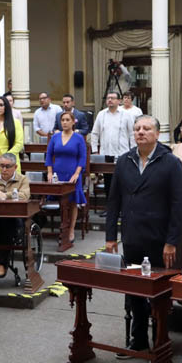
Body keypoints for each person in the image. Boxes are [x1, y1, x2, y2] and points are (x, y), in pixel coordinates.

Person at [105, 115, 182, 356]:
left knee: (158, 294)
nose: (141, 132)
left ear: (157, 134)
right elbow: (113, 202)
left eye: (147, 128)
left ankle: (160, 342)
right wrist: (111, 236)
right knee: (134, 291)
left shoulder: (171, 162)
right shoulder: (124, 161)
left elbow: (178, 205)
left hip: (159, 240)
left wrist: (172, 241)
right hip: (132, 236)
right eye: (137, 128)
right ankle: (138, 339)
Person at [46, 111, 88, 247]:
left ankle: (70, 230)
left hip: (73, 173)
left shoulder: (78, 138)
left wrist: (77, 174)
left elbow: (82, 158)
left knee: (73, 202)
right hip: (58, 173)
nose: (64, 122)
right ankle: (62, 227)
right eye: (62, 120)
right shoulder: (55, 137)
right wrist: (49, 172)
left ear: (73, 122)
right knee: (62, 201)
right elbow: (49, 155)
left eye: (67, 120)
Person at [0, 153, 31, 278]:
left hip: (13, 219)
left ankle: (3, 264)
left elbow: (25, 195)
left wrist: (7, 195)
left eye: (7, 166)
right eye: (1, 166)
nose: (4, 169)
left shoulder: (22, 180)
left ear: (15, 167)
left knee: (7, 223)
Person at [90, 92, 134, 200]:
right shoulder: (101, 114)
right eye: (108, 98)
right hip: (106, 154)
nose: (110, 100)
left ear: (119, 101)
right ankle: (110, 209)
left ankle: (122, 208)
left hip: (122, 154)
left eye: (113, 98)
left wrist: (133, 151)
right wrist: (95, 151)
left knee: (122, 182)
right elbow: (95, 133)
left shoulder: (126, 114)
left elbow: (132, 134)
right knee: (108, 182)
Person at [0, 95, 24, 171]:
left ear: (6, 106)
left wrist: (4, 158)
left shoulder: (16, 123)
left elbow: (19, 144)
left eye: (1, 105)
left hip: (10, 161)